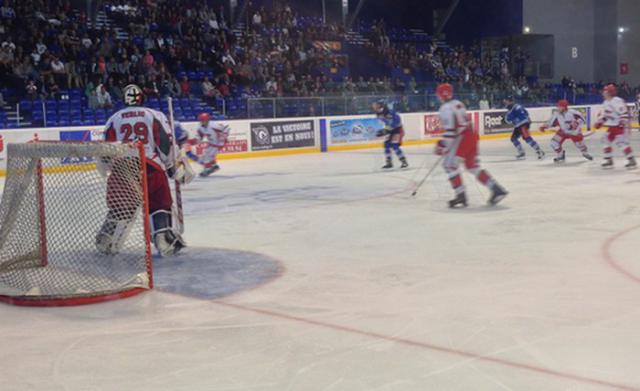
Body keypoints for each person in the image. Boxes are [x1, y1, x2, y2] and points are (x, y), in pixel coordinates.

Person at [98, 84, 194, 257]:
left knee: (121, 207)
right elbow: (165, 142)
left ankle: (106, 237)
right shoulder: (153, 114)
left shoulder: (113, 118)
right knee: (159, 203)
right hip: (149, 166)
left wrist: (107, 169)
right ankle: (163, 238)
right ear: (142, 98)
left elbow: (106, 149)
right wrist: (172, 166)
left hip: (122, 168)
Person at [435, 83, 507, 208]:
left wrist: (442, 144)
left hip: (462, 138)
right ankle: (496, 189)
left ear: (442, 94)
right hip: (472, 135)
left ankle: (460, 195)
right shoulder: (458, 103)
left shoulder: (445, 109)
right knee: (472, 166)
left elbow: (451, 131)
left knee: (449, 165)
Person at [594, 84, 637, 169]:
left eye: (605, 91)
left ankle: (631, 159)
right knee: (605, 140)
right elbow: (607, 115)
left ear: (609, 92)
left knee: (621, 143)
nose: (603, 92)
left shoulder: (617, 101)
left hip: (620, 126)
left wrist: (622, 124)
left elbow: (624, 114)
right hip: (612, 126)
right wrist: (601, 122)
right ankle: (608, 159)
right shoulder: (605, 103)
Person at [372, 100, 408, 169]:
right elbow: (386, 122)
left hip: (397, 130)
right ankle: (389, 163)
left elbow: (397, 121)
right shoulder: (378, 113)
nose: (374, 106)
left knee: (395, 146)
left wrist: (387, 130)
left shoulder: (389, 112)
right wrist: (385, 130)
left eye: (376, 104)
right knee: (386, 145)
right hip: (390, 130)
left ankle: (403, 161)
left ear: (380, 105)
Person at [195, 112, 230, 177]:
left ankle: (208, 169)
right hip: (211, 143)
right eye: (201, 120)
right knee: (207, 154)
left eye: (203, 120)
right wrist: (198, 140)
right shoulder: (200, 127)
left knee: (207, 156)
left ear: (207, 120)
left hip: (218, 143)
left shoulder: (214, 125)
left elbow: (226, 127)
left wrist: (224, 136)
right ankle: (214, 166)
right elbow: (200, 135)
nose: (202, 122)